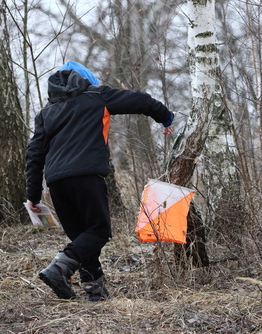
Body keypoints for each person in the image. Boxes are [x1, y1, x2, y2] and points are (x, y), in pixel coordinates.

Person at [25, 61, 174, 301]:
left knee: (83, 238)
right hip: (86, 176)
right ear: (86, 81)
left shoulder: (45, 113)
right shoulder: (97, 96)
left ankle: (95, 292)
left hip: (56, 183)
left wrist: (32, 194)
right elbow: (142, 100)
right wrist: (166, 117)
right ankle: (59, 268)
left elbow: (34, 154)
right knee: (98, 230)